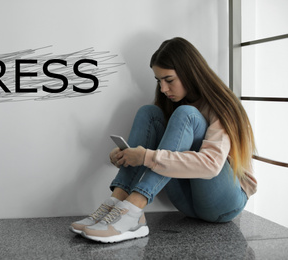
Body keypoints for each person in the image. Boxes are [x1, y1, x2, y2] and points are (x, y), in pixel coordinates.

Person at [69, 37, 257, 243]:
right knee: (149, 113)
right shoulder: (172, 104)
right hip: (187, 204)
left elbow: (211, 166)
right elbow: (163, 149)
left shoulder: (221, 104)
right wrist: (127, 155)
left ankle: (133, 210)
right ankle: (118, 202)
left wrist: (145, 157)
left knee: (187, 114)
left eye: (169, 80)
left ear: (189, 72)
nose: (164, 89)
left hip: (224, 204)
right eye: (159, 81)